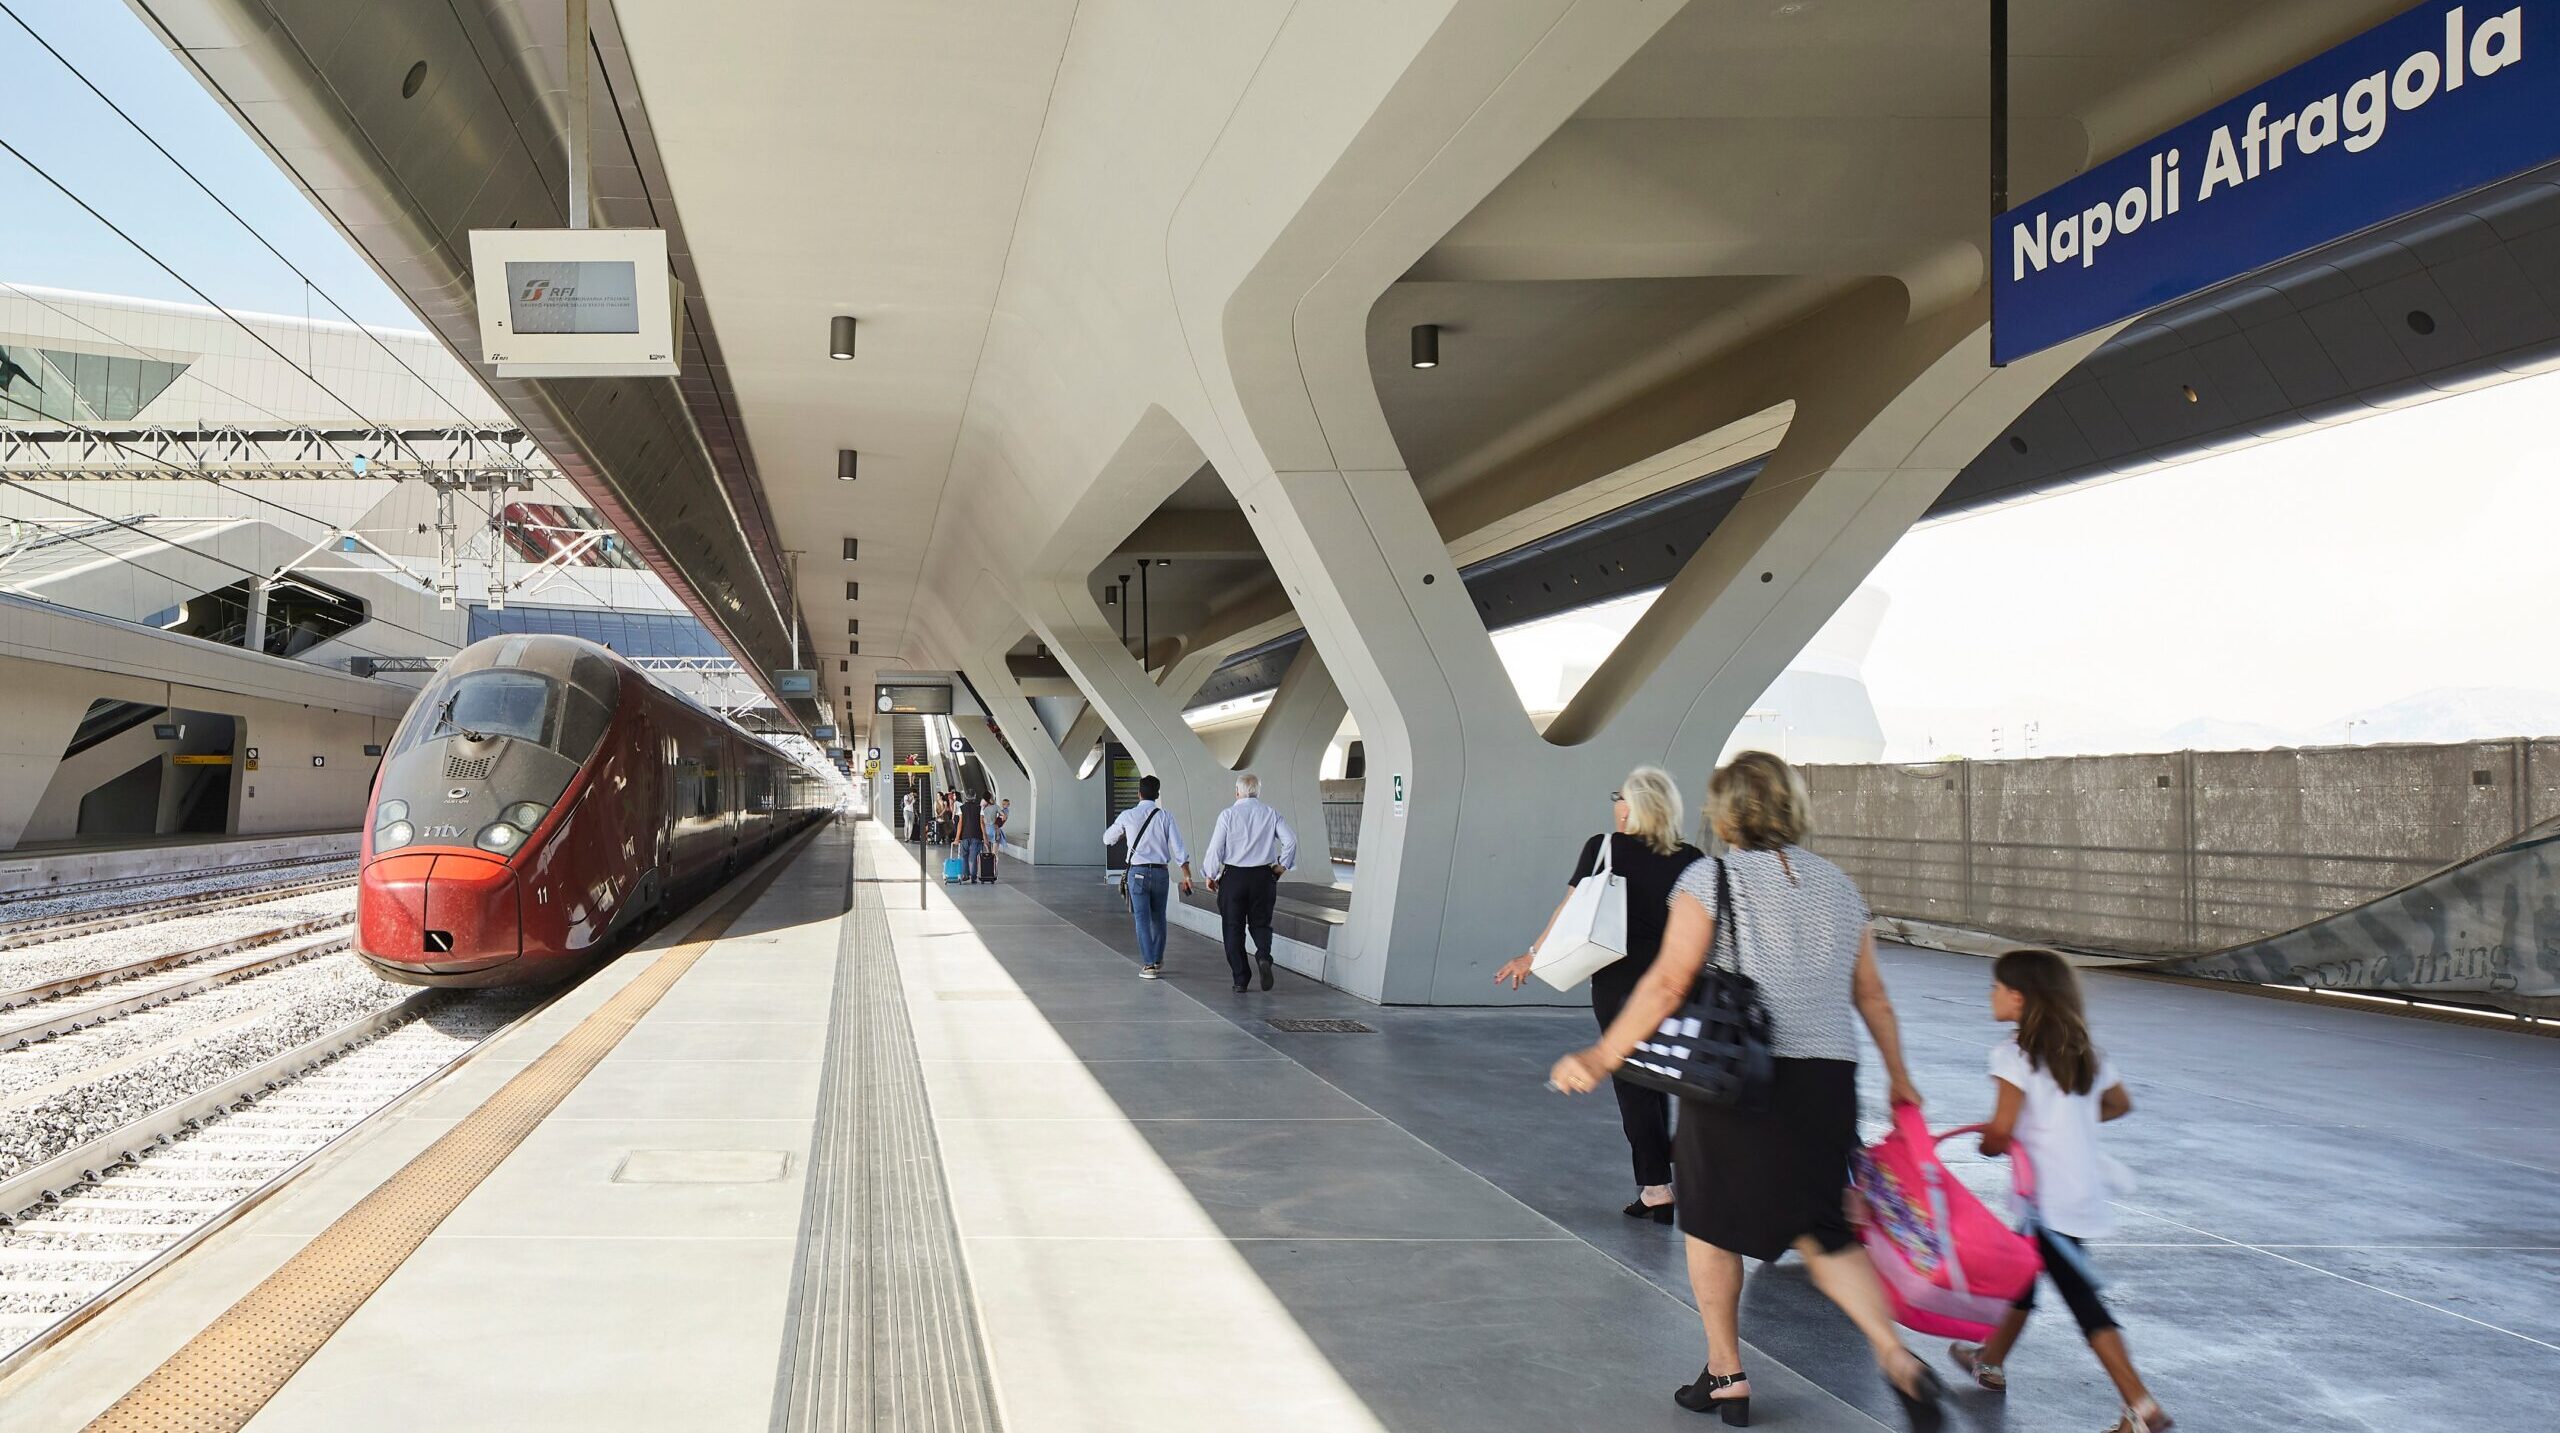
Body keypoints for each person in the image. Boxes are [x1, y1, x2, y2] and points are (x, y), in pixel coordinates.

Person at [1548, 750, 1940, 1428]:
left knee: (1708, 1218)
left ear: (1725, 810)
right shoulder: (1838, 885)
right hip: (1827, 1079)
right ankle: (1895, 1354)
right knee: (1823, 1227)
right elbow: (1872, 996)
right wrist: (1902, 1079)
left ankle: (1726, 1370)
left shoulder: (1710, 877)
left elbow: (1670, 982)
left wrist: (1603, 1053)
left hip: (1737, 1077)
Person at [1952, 949, 2171, 1433]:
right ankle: (1990, 1360)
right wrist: (2066, 1123)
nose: (1989, 995)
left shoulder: (2012, 1054)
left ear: (2020, 997)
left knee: (2084, 1304)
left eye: (1995, 987)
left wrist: (1990, 1142)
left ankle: (2140, 1405)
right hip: (2076, 1196)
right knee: (2022, 1279)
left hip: (2045, 1202)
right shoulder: (2085, 1052)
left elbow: (2001, 1131)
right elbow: (2119, 1104)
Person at [1497, 766, 1700, 1224]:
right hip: (1674, 979)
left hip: (1618, 981)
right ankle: (1674, 1176)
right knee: (1671, 1076)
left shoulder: (1606, 847)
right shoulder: (1692, 858)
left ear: (1633, 805)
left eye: (1620, 796)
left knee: (1634, 1081)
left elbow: (1568, 909)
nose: (1616, 804)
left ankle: (1655, 1188)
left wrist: (1532, 955)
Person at [1201, 773, 1300, 992]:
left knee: (1233, 928)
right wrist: (1281, 867)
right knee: (1261, 923)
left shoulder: (1227, 815)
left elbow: (1216, 848)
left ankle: (1240, 979)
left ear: (1237, 792)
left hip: (1234, 878)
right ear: (1257, 792)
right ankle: (1263, 956)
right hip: (1263, 878)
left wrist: (1209, 874)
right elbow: (1290, 841)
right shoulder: (1270, 813)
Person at [1102, 775, 1193, 979]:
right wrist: (1187, 874)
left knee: (1142, 919)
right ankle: (1158, 959)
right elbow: (1179, 849)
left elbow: (1107, 838)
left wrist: (1125, 834)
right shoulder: (1166, 816)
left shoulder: (1128, 816)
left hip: (1138, 873)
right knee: (1159, 917)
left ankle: (1149, 965)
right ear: (1157, 795)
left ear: (1139, 793)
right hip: (1161, 872)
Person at [956, 789, 987, 883]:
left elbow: (960, 823)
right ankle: (973, 877)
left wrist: (957, 837)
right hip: (976, 835)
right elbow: (982, 823)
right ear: (974, 797)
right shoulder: (979, 808)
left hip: (965, 835)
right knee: (973, 857)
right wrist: (985, 837)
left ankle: (966, 875)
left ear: (965, 797)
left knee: (963, 856)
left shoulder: (961, 808)